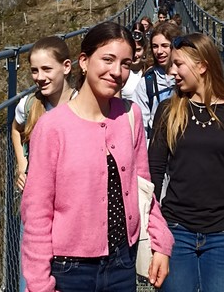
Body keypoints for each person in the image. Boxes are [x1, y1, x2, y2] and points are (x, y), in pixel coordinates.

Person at [21, 22, 174, 292]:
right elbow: (37, 213)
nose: (116, 71)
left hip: (122, 263)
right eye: (107, 59)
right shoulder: (52, 127)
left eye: (125, 64)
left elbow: (143, 187)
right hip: (70, 270)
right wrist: (39, 284)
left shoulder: (130, 115)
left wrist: (161, 242)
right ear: (83, 61)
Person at [148, 33, 224, 292]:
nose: (172, 71)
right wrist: (154, 228)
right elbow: (154, 171)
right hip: (176, 228)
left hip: (223, 233)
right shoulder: (168, 111)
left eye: (179, 64)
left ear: (202, 66)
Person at [11, 36, 77, 292]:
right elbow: (16, 129)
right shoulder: (29, 105)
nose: (39, 77)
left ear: (67, 67)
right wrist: (21, 163)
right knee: (34, 273)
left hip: (71, 206)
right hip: (37, 204)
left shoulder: (83, 105)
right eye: (34, 71)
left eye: (47, 69)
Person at [132, 21, 181, 141]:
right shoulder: (147, 83)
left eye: (164, 46)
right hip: (156, 144)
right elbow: (140, 124)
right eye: (155, 46)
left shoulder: (189, 78)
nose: (159, 51)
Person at [121, 29, 148, 100]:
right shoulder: (120, 72)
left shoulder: (149, 71)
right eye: (132, 50)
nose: (135, 55)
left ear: (144, 50)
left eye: (138, 50)